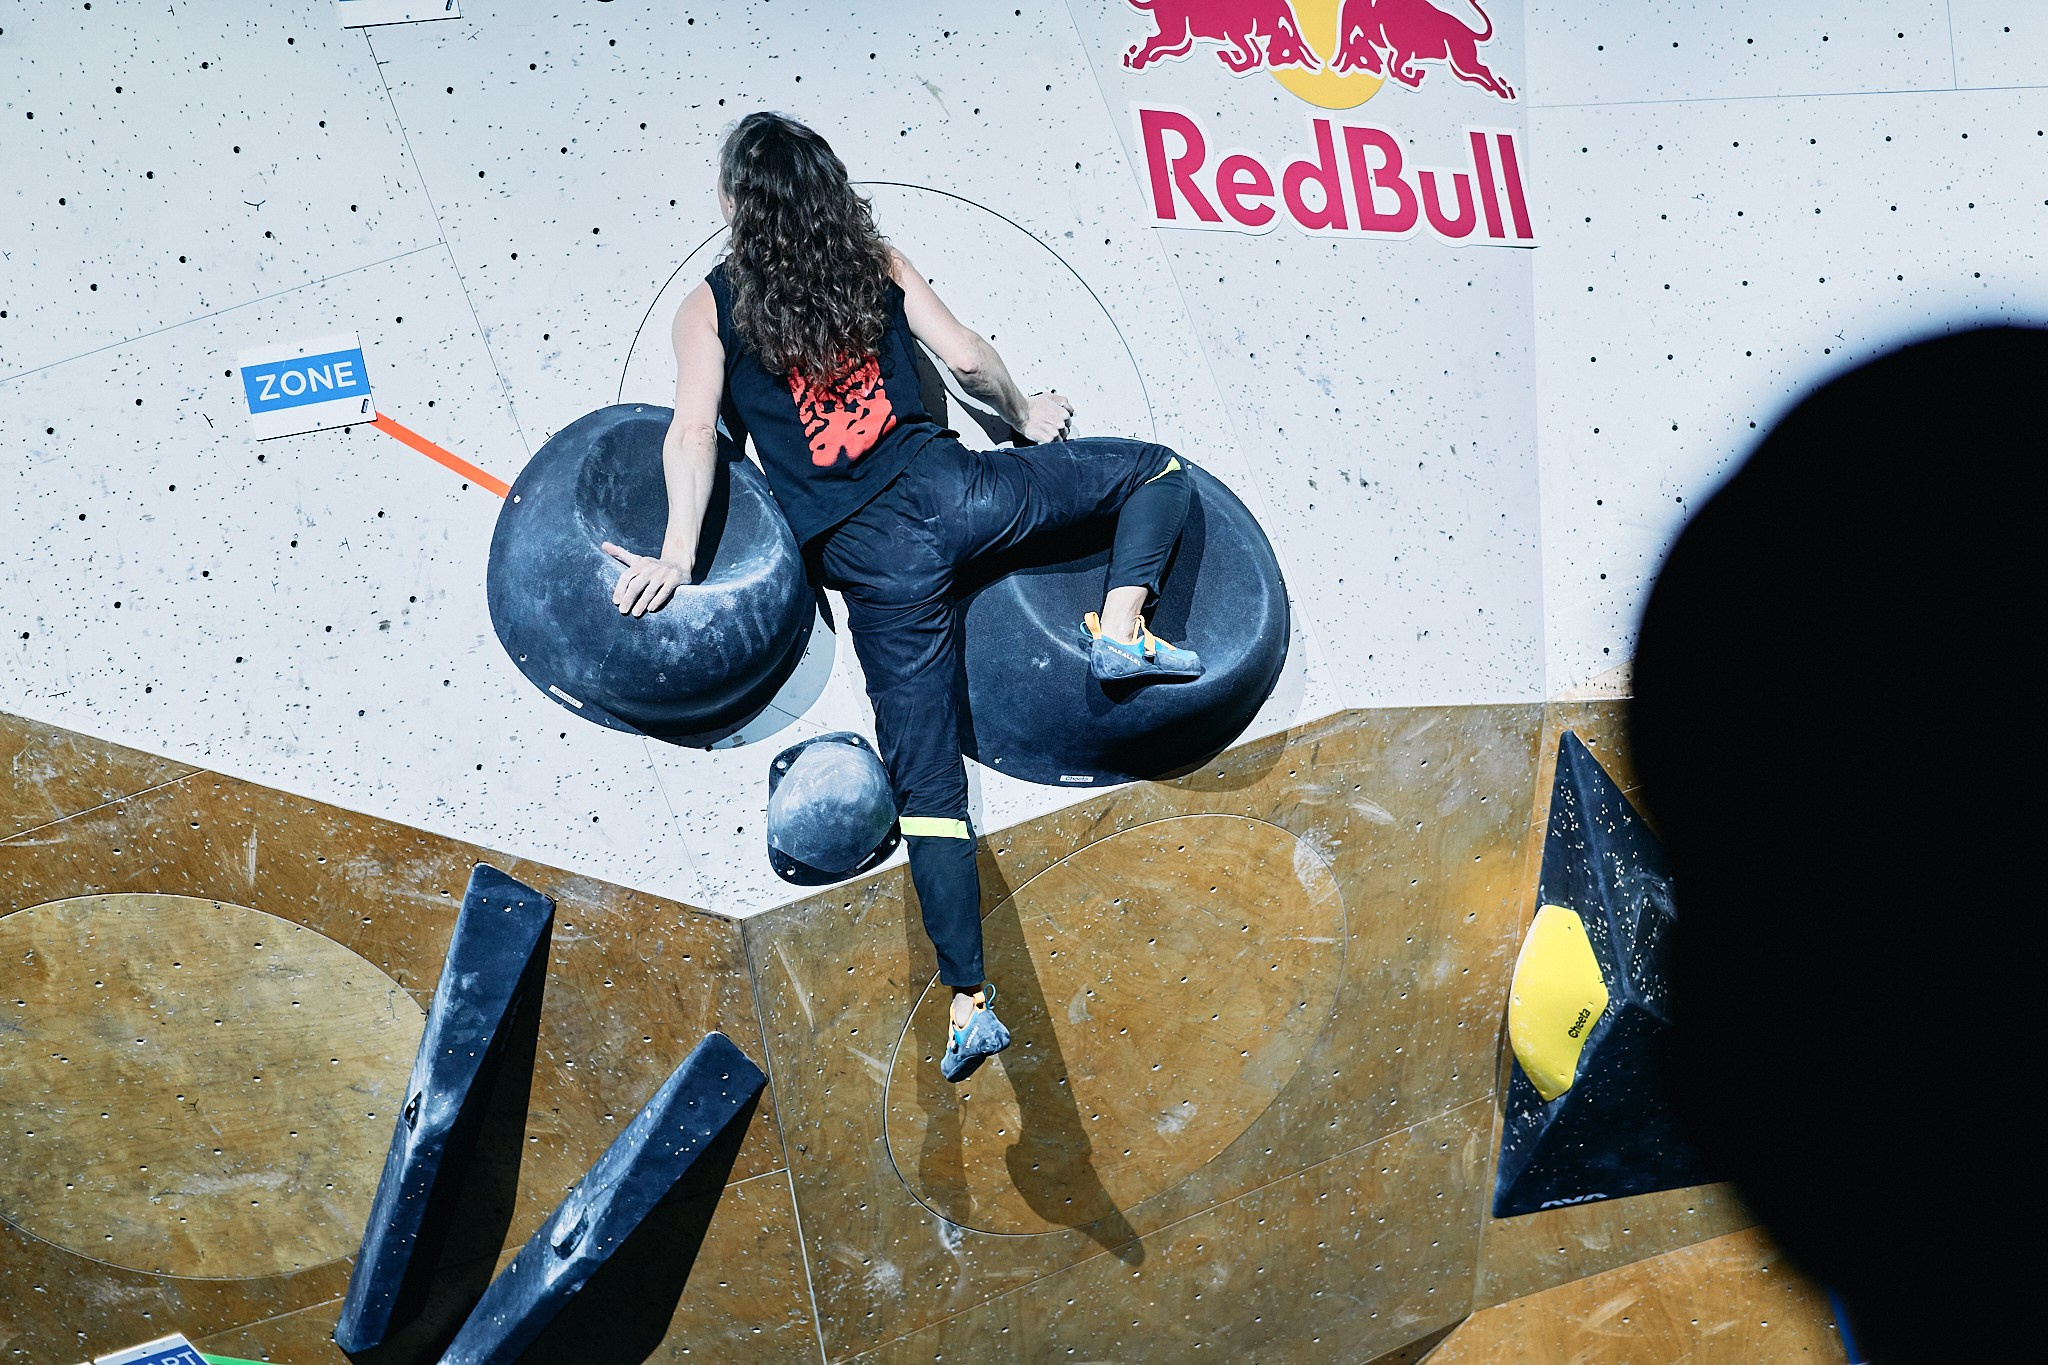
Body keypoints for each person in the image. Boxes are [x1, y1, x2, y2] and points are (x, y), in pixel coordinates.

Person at [602, 111, 1202, 1082]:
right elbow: (963, 356)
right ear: (828, 190)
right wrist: (1025, 413)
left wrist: (675, 555)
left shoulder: (708, 309)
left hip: (870, 564)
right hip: (956, 496)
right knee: (1156, 471)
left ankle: (967, 1003)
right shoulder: (871, 255)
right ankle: (1123, 629)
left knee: (927, 792)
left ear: (730, 204)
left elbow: (691, 436)